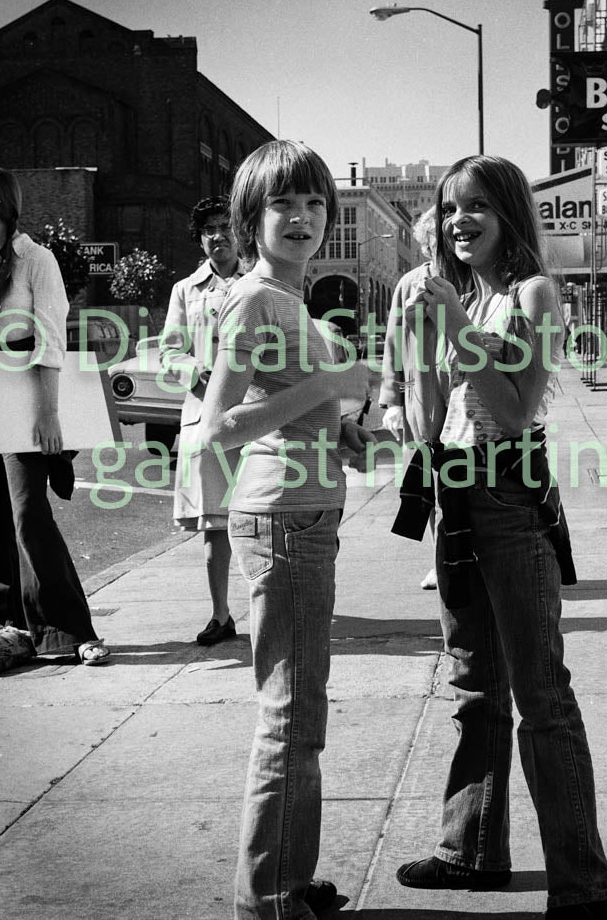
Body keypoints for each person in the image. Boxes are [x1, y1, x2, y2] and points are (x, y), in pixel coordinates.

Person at [392, 156, 607, 919]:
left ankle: (581, 886)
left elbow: (517, 411)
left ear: (509, 213)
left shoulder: (531, 294)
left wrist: (455, 322)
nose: (461, 220)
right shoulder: (466, 293)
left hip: (511, 496)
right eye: (451, 208)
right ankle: (471, 853)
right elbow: (429, 419)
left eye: (478, 206)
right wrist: (422, 333)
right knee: (472, 686)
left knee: (541, 696)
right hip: (454, 491)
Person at [198, 141, 374, 920]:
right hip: (282, 521)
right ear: (250, 219)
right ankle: (269, 899)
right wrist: (330, 384)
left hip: (303, 513)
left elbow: (284, 403)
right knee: (292, 714)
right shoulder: (256, 299)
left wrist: (335, 428)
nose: (300, 217)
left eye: (312, 204)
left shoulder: (289, 299)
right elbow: (218, 430)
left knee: (301, 710)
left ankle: (288, 881)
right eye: (282, 205)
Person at [0, 165, 109, 665]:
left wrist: (49, 413)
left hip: (22, 388)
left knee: (28, 514)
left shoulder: (36, 259)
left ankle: (67, 631)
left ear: (4, 205)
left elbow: (51, 338)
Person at [160, 196, 243, 644]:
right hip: (206, 416)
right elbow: (169, 350)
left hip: (256, 413)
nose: (218, 236)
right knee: (215, 523)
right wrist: (196, 372)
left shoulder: (260, 282)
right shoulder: (186, 290)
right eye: (209, 229)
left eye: (226, 226)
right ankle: (221, 615)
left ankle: (276, 604)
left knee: (264, 514)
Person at [378, 207, 444, 590]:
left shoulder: (477, 280)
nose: (439, 246)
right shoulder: (409, 284)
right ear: (424, 245)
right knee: (429, 486)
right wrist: (394, 403)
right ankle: (441, 558)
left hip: (466, 401)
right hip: (421, 403)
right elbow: (393, 345)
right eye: (432, 239)